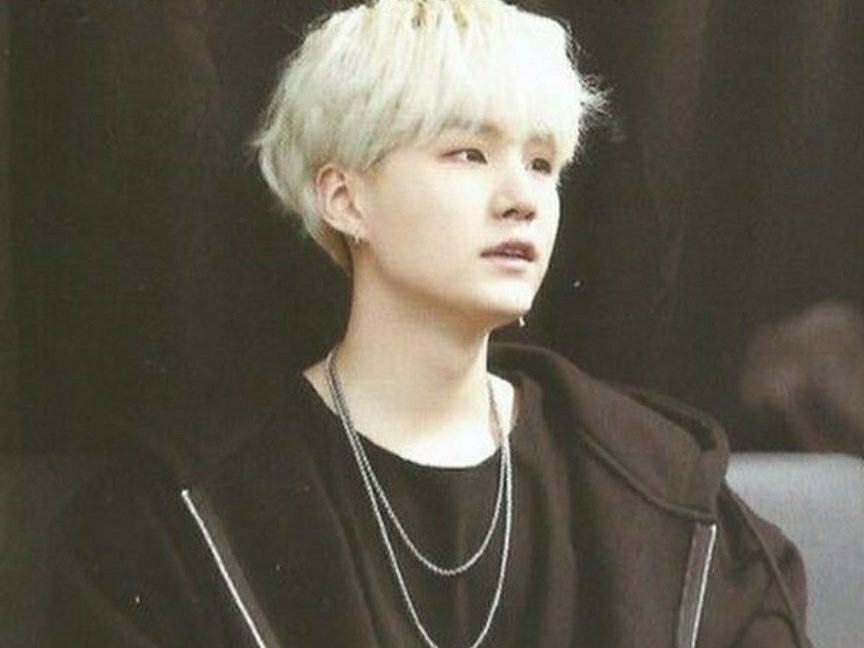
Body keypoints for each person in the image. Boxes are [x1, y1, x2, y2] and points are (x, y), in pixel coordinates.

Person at [50, 1, 810, 646]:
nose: (522, 199)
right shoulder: (181, 524)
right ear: (345, 200)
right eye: (469, 153)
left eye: (542, 164)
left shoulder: (659, 494)